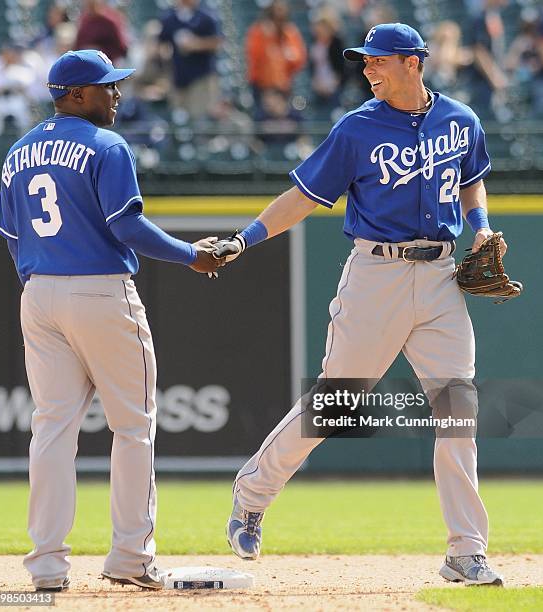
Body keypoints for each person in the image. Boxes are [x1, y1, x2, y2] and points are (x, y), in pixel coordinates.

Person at [217, 23, 506, 587]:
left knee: (458, 414)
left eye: (379, 60)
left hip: (443, 276)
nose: (368, 69)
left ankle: (466, 551)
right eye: (366, 61)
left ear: (413, 62)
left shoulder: (461, 120)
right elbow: (303, 197)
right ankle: (252, 495)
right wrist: (244, 238)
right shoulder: (357, 129)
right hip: (377, 273)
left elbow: (472, 180)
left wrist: (481, 227)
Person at [0, 49, 224, 592]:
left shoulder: (17, 151)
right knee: (134, 426)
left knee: (51, 430)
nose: (117, 94)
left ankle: (46, 568)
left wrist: (37, 278)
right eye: (106, 87)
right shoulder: (106, 145)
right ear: (74, 94)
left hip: (39, 294)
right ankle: (130, 558)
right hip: (100, 290)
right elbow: (129, 228)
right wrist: (193, 255)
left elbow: (7, 233)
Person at [158, 0, 222, 119]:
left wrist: (196, 44)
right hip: (178, 77)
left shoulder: (206, 17)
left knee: (199, 118)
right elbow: (162, 43)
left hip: (201, 77)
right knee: (179, 118)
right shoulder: (170, 19)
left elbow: (217, 42)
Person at [245, 0, 307, 107]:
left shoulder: (290, 32)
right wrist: (268, 38)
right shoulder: (258, 31)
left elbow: (299, 59)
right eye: (276, 11)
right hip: (262, 87)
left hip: (284, 87)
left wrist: (284, 57)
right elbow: (255, 57)